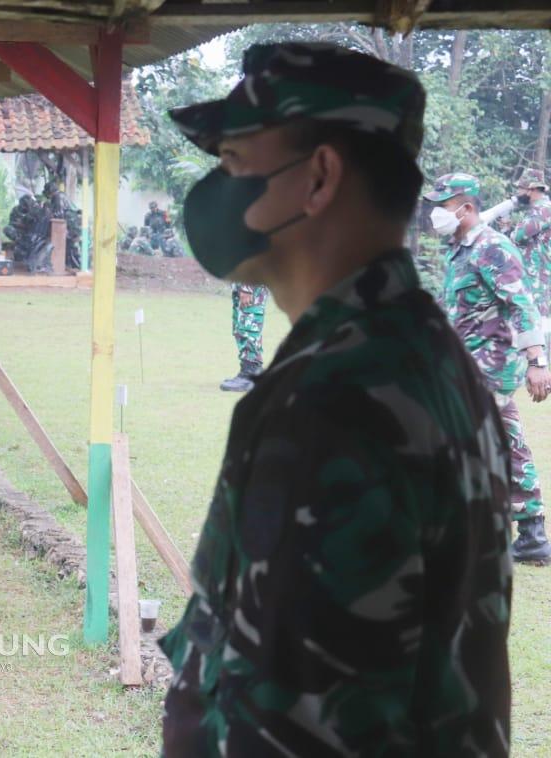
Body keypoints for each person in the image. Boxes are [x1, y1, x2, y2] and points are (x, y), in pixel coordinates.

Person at [161, 42, 513, 755]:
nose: (215, 189)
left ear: (318, 177)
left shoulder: (330, 403)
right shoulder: (423, 350)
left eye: (232, 162)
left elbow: (294, 726)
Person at [424, 172, 551, 564]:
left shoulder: (493, 247)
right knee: (506, 438)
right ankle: (531, 532)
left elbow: (522, 304)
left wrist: (538, 361)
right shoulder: (460, 250)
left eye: (443, 206)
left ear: (466, 207)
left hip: (491, 364)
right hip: (466, 362)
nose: (436, 214)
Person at [511, 168, 551, 332]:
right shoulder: (538, 211)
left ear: (532, 189)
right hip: (534, 278)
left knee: (539, 326)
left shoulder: (544, 209)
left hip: (539, 281)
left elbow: (519, 235)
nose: (518, 193)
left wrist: (512, 231)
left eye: (521, 189)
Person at [218, 283, 267, 391]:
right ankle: (253, 372)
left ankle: (249, 373)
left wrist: (247, 288)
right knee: (241, 329)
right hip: (243, 284)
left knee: (248, 329)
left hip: (251, 284)